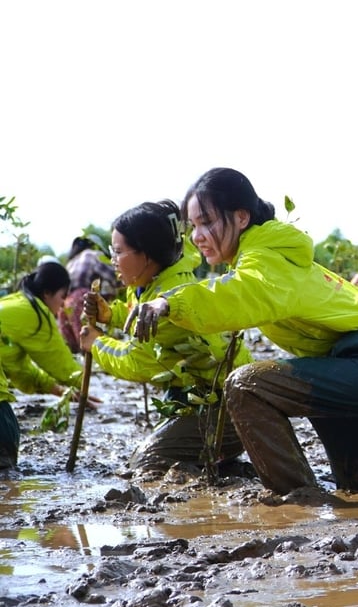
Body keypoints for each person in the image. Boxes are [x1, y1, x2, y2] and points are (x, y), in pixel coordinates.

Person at [128, 168, 358, 495]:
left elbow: (237, 292)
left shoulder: (266, 257)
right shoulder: (269, 253)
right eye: (193, 226)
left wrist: (169, 303)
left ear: (241, 217)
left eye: (208, 222)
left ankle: (299, 501)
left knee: (245, 386)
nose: (198, 236)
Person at [79, 200, 254, 476]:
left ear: (146, 255)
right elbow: (136, 317)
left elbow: (135, 361)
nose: (113, 261)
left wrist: (96, 342)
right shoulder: (159, 281)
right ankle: (219, 463)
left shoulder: (169, 294)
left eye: (119, 251)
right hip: (208, 402)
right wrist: (109, 316)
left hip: (226, 411)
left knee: (146, 463)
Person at [0, 262, 85, 469]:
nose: (63, 304)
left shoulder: (13, 303)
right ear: (47, 293)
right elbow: (63, 366)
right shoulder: (35, 313)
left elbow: (17, 368)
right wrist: (85, 383)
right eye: (62, 296)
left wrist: (55, 389)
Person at [58, 234, 120, 354]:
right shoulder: (92, 254)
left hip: (66, 303)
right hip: (81, 298)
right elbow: (114, 276)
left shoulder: (71, 261)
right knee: (88, 342)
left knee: (76, 346)